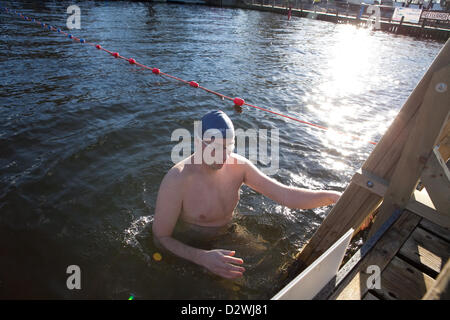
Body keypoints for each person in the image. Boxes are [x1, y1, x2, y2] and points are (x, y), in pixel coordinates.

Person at [152, 110, 341, 279]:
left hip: (229, 233)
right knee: (236, 287)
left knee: (277, 266)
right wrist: (201, 257)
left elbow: (285, 195)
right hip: (193, 245)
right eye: (214, 148)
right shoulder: (178, 179)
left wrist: (330, 197)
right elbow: (160, 238)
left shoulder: (238, 166)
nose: (222, 156)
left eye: (228, 148)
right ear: (197, 143)